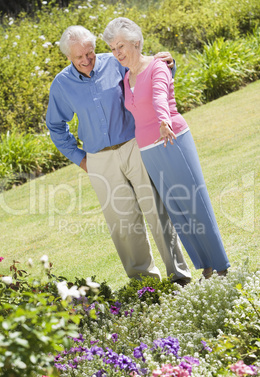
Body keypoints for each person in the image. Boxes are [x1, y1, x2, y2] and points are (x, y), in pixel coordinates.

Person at [46, 25, 192, 284]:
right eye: (78, 57)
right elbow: (56, 126)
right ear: (68, 57)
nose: (86, 60)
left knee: (156, 210)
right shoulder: (62, 84)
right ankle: (144, 285)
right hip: (99, 160)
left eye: (89, 53)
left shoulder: (114, 63)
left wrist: (168, 65)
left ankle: (179, 275)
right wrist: (80, 159)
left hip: (135, 146)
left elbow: (149, 76)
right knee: (123, 224)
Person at [103, 18, 230, 279]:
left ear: (136, 43)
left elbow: (160, 94)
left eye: (121, 46)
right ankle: (204, 265)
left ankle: (221, 265)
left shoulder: (158, 66)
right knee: (176, 208)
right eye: (113, 48)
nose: (117, 53)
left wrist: (163, 120)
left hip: (172, 138)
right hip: (148, 149)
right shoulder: (126, 77)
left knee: (194, 202)